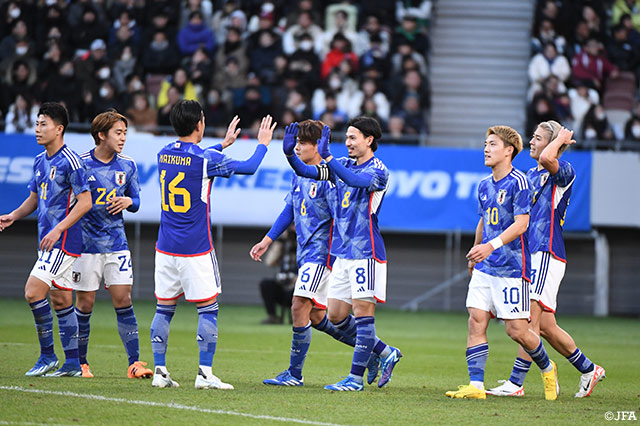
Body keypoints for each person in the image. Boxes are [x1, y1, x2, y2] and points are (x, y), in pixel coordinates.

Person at [150, 103, 276, 390]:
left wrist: (223, 144)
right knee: (208, 310)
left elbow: (193, 158)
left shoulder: (163, 153)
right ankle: (205, 374)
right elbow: (249, 167)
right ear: (199, 125)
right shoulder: (206, 159)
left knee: (164, 309)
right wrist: (263, 144)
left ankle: (160, 371)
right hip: (195, 247)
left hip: (165, 246)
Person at [251, 120, 378, 387]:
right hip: (306, 252)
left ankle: (294, 374)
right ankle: (376, 352)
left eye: (302, 143)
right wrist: (267, 240)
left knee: (298, 305)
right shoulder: (300, 174)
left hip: (323, 254)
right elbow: (290, 209)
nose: (297, 147)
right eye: (296, 142)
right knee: (318, 316)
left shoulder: (331, 178)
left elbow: (342, 217)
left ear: (318, 145)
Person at [487, 121, 605, 398]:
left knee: (528, 319)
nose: (532, 141)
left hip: (546, 252)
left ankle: (516, 383)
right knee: (547, 327)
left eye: (538, 138)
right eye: (533, 136)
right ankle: (589, 369)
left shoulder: (563, 171)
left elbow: (548, 158)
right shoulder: (529, 175)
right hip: (530, 254)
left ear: (553, 145)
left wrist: (560, 140)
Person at [284, 117, 401, 392]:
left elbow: (354, 181)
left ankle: (355, 379)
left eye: (352, 137)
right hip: (342, 253)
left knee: (363, 315)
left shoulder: (378, 170)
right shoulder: (343, 164)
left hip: (366, 252)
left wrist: (328, 157)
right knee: (336, 316)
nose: (347, 143)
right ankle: (385, 352)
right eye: (346, 137)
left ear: (369, 140)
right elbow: (307, 171)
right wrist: (289, 155)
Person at [445, 125, 559, 400]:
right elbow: (484, 220)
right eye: (485, 144)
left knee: (517, 330)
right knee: (476, 320)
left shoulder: (520, 182)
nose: (486, 149)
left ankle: (547, 367)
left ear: (509, 151)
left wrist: (490, 246)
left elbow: (522, 224)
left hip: (512, 268)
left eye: (492, 144)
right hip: (486, 266)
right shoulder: (484, 184)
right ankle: (476, 385)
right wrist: (476, 250)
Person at [0, 102, 92, 377]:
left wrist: (58, 229)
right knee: (61, 300)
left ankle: (48, 355)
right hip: (48, 241)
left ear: (59, 129)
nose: (38, 129)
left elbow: (85, 202)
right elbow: (34, 198)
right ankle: (73, 364)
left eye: (43, 124)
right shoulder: (40, 160)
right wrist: (13, 215)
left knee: (32, 291)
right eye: (37, 124)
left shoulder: (71, 161)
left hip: (64, 241)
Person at [71, 110, 153, 380]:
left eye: (125, 133)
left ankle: (134, 363)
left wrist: (129, 202)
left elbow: (137, 202)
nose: (123, 138)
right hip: (85, 246)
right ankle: (81, 363)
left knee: (124, 299)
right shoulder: (80, 164)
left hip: (117, 244)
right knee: (85, 304)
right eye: (118, 133)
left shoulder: (128, 165)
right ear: (101, 135)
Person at [257, 227, 297, 325]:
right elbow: (269, 262)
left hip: (297, 286)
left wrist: (297, 241)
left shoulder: (303, 243)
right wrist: (280, 242)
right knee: (266, 284)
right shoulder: (282, 244)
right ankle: (273, 316)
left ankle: (297, 317)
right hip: (282, 284)